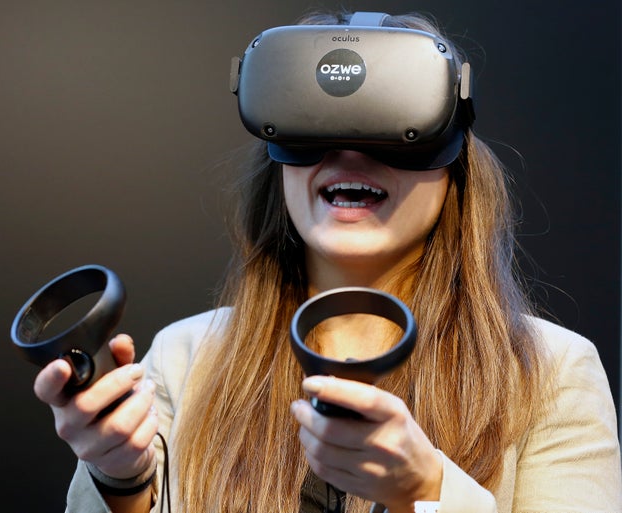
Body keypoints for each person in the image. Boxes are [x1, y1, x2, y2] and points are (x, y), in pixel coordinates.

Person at [32, 9, 622, 513]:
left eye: (390, 133)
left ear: (451, 164)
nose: (348, 157)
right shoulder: (188, 359)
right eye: (313, 131)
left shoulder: (549, 373)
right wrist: (118, 474)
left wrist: (424, 490)